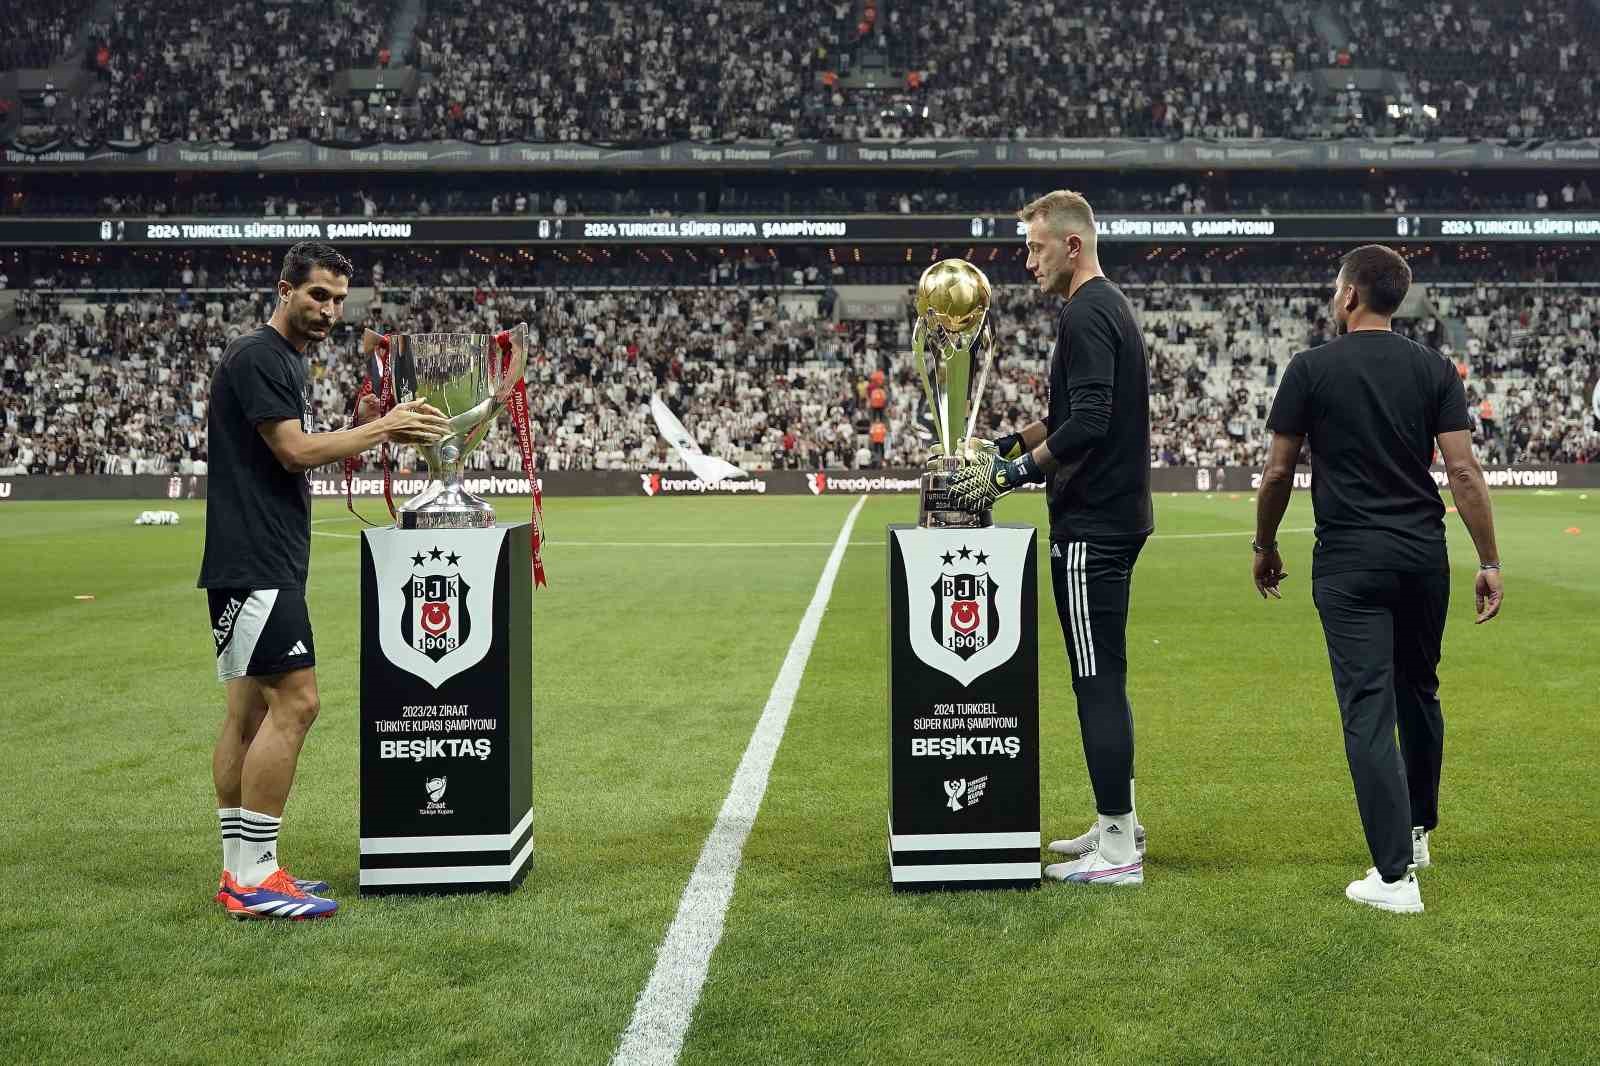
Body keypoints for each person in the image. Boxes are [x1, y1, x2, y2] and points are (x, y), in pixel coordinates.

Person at [198, 242, 450, 920]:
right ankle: (254, 877)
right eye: (317, 296)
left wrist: (377, 431)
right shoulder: (261, 358)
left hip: (250, 560)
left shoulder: (281, 362)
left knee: (248, 714)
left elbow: (298, 449)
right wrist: (384, 427)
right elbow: (294, 451)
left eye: (338, 300)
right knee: (298, 704)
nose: (329, 311)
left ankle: (242, 872)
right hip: (256, 563)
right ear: (285, 289)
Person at [1254, 244, 1502, 915]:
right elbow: (1463, 472)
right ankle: (1417, 834)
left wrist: (1265, 544)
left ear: (1350, 295)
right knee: (1419, 691)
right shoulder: (1432, 369)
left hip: (1350, 562)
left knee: (1368, 707)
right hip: (1424, 556)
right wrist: (1488, 560)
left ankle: (1394, 878)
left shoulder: (1310, 369)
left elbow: (1278, 472)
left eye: (1337, 289)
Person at [949, 190, 1153, 886]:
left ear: (1073, 245)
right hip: (1110, 519)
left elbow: (1089, 424)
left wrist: (1009, 476)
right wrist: (1004, 445)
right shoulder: (1100, 307)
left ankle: (1119, 848)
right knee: (1101, 680)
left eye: (1036, 247)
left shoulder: (1089, 312)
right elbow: (1062, 415)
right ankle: (1114, 821)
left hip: (1093, 524)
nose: (1026, 260)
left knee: (1096, 683)